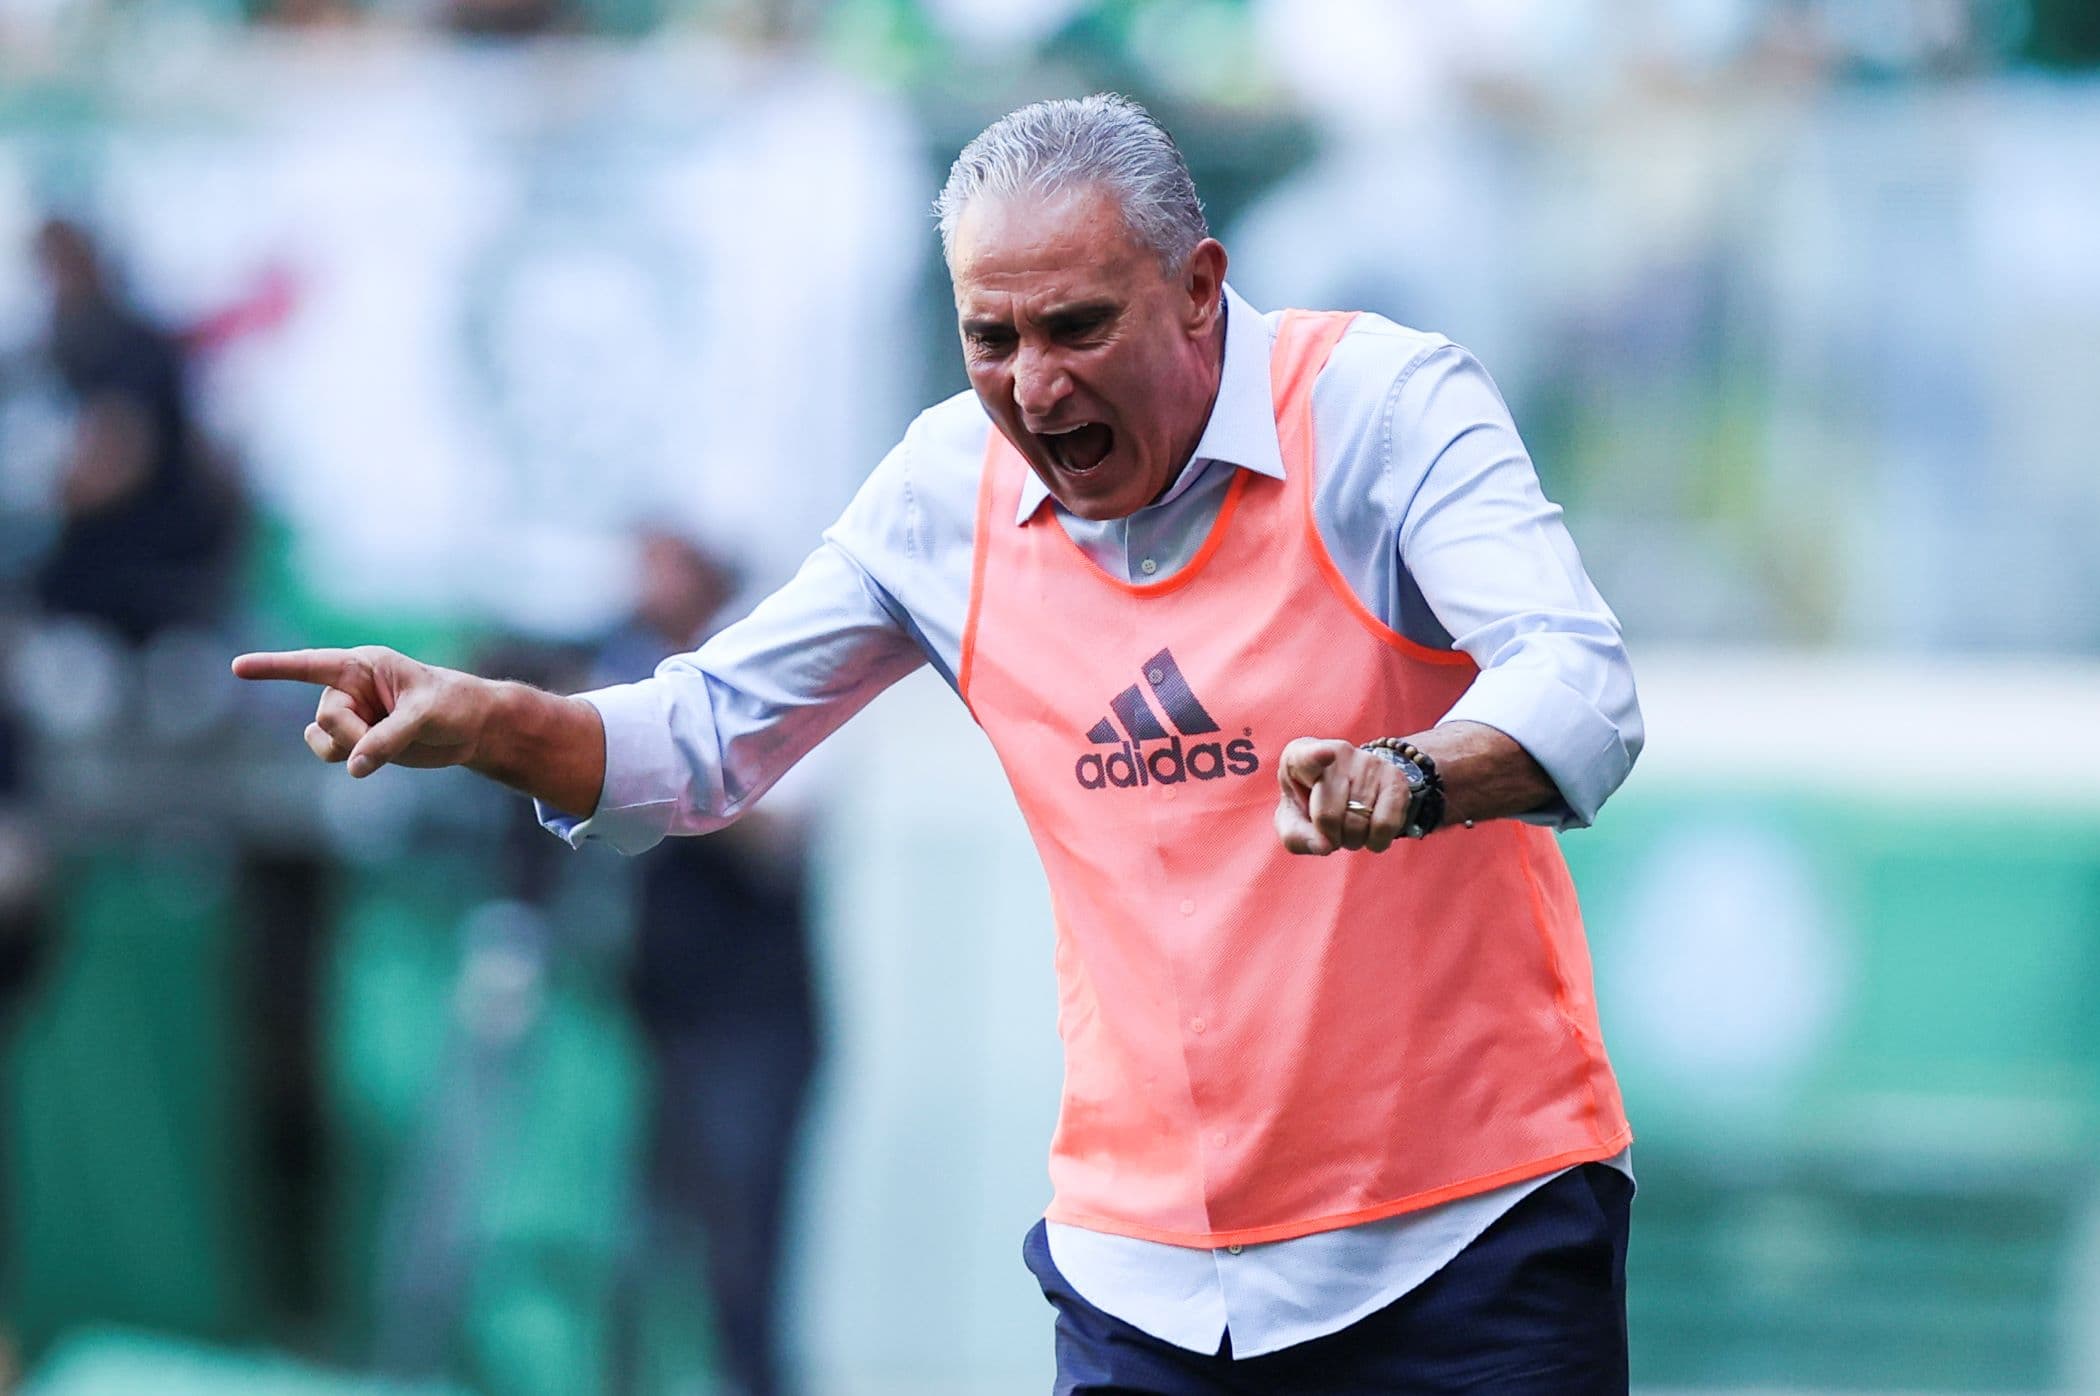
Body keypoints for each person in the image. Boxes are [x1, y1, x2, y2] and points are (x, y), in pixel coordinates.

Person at [237, 94, 1643, 1393]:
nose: (1033, 387)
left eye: (1078, 327)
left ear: (1203, 289)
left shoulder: (1381, 409)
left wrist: (1408, 778)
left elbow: (1581, 686)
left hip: (1470, 1245)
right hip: (1143, 1274)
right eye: (992, 339)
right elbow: (706, 736)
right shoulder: (943, 494)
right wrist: (481, 716)